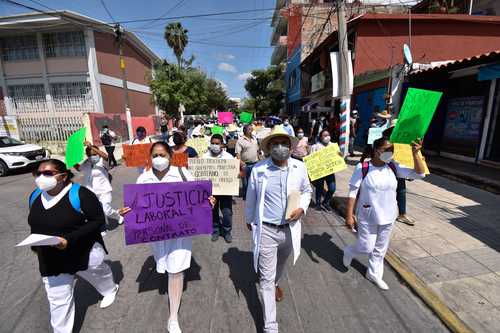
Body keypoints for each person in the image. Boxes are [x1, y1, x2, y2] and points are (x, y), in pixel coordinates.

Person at [120, 142, 215, 333]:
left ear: (170, 156)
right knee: (164, 264)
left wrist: (208, 202)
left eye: (162, 155)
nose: (159, 159)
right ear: (149, 157)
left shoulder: (181, 174)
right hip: (157, 235)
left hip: (180, 233)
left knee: (176, 270)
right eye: (155, 155)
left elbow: (196, 196)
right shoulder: (143, 179)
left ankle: (173, 318)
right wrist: (125, 212)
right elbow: (135, 206)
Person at [28, 159, 118, 333]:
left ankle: (110, 289)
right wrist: (35, 244)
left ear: (62, 176)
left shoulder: (81, 194)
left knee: (97, 271)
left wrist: (69, 239)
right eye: (37, 173)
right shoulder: (34, 196)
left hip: (84, 251)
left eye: (48, 173)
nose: (41, 177)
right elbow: (34, 223)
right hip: (51, 258)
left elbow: (98, 220)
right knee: (58, 300)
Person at [245, 125, 313, 333]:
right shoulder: (259, 169)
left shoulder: (299, 167)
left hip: (290, 229)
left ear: (290, 147)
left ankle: (274, 283)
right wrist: (250, 219)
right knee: (265, 278)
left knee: (280, 265)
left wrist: (302, 207)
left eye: (284, 143)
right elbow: (251, 198)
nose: (280, 147)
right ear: (269, 147)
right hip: (266, 229)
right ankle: (270, 326)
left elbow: (307, 191)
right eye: (275, 143)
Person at [343, 137, 425, 290]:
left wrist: (416, 153)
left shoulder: (394, 167)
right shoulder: (363, 167)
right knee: (366, 247)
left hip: (388, 215)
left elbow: (420, 174)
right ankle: (349, 251)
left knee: (380, 249)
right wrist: (349, 215)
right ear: (376, 150)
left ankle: (373, 274)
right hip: (368, 215)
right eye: (386, 149)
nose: (390, 153)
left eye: (391, 150)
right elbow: (353, 192)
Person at [75, 143, 123, 228]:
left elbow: (106, 156)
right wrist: (72, 162)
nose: (92, 156)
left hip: (104, 191)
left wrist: (91, 147)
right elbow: (79, 169)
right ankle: (101, 226)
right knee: (96, 211)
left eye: (94, 154)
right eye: (89, 154)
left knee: (106, 210)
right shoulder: (87, 163)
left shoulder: (102, 161)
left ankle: (118, 216)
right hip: (92, 192)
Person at [203, 134, 235, 243]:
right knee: (213, 211)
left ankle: (227, 231)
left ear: (222, 145)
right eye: (213, 143)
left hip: (225, 190)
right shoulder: (204, 157)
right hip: (211, 191)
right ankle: (215, 230)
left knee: (227, 212)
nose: (215, 145)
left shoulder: (228, 157)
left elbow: (234, 173)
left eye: (217, 143)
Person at [382, 121, 414, 226]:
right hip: (385, 171)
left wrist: (409, 174)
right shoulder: (385, 142)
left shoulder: (405, 142)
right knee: (385, 193)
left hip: (399, 173)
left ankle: (402, 214)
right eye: (395, 129)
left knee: (401, 192)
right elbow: (382, 158)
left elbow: (408, 159)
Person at [310, 129, 337, 211]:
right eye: (325, 135)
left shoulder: (333, 145)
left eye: (328, 135)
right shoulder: (315, 147)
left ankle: (326, 202)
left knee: (332, 188)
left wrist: (340, 155)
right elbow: (311, 159)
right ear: (321, 137)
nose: (327, 137)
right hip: (320, 172)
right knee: (319, 188)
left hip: (330, 171)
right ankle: (318, 203)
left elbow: (338, 156)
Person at [235, 124, 259, 199]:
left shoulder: (254, 139)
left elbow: (257, 150)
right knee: (245, 182)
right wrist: (241, 163)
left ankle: (252, 196)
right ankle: (246, 196)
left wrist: (259, 158)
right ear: (244, 130)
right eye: (249, 129)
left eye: (251, 129)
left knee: (253, 181)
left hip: (255, 163)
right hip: (245, 164)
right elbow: (237, 153)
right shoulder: (240, 141)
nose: (251, 130)